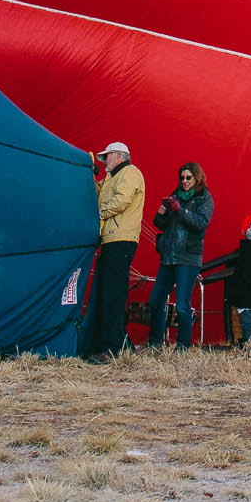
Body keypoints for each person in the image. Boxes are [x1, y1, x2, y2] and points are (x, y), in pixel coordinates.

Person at [83, 139, 145, 360]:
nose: (105, 161)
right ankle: (117, 345)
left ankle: (111, 349)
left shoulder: (130, 173)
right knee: (107, 294)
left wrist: (98, 214)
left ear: (119, 155)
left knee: (113, 296)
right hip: (110, 240)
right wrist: (87, 173)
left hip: (121, 240)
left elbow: (121, 201)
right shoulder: (111, 178)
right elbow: (93, 191)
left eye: (106, 157)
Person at [147, 159, 213, 350]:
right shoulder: (174, 196)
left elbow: (201, 223)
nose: (184, 181)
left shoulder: (204, 199)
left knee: (183, 304)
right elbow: (159, 224)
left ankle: (183, 346)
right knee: (155, 300)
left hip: (188, 258)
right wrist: (161, 213)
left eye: (188, 178)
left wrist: (180, 211)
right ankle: (155, 343)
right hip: (169, 256)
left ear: (197, 178)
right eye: (182, 177)